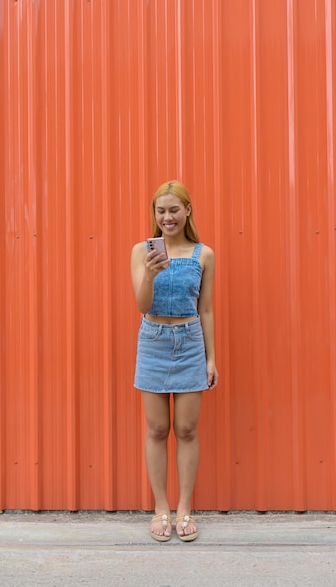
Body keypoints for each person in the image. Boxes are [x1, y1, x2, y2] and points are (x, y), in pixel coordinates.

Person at [131, 180, 218, 542]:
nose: (167, 217)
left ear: (187, 211)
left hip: (189, 340)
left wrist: (211, 358)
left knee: (186, 430)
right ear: (154, 214)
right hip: (153, 340)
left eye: (173, 210)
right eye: (160, 210)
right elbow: (141, 304)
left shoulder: (203, 255)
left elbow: (207, 309)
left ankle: (184, 508)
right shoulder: (141, 251)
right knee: (156, 429)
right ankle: (160, 508)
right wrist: (149, 274)